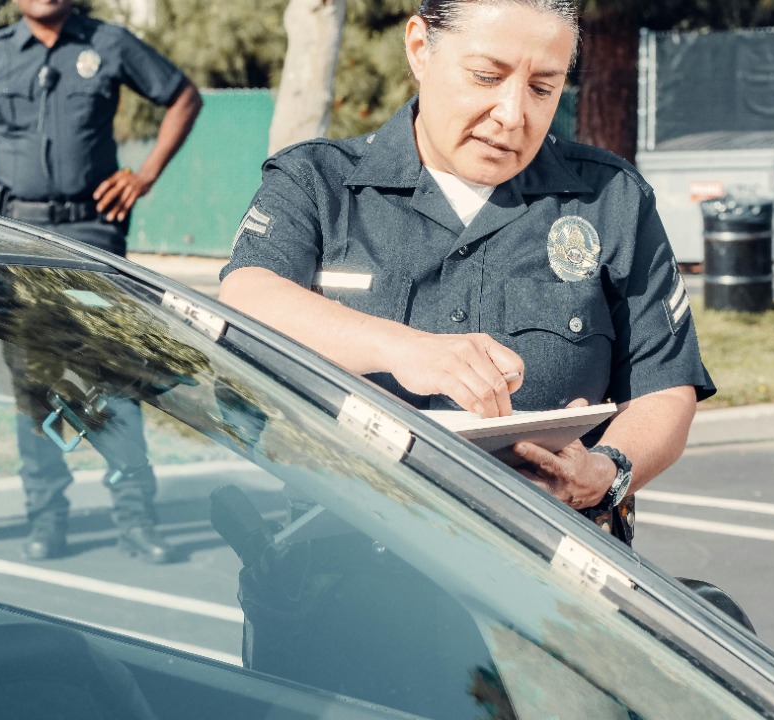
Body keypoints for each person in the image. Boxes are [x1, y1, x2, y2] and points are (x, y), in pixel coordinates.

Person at [219, 0, 715, 541]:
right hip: (345, 566)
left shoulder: (611, 200)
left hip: (552, 579)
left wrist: (606, 473)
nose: (512, 114)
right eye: (485, 77)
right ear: (419, 49)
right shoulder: (317, 182)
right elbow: (248, 294)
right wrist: (406, 349)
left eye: (542, 88)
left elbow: (664, 387)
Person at [0, 0, 202, 563]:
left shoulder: (109, 44)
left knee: (114, 378)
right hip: (16, 236)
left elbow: (184, 96)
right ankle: (47, 518)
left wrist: (145, 174)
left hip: (92, 233)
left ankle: (136, 518)